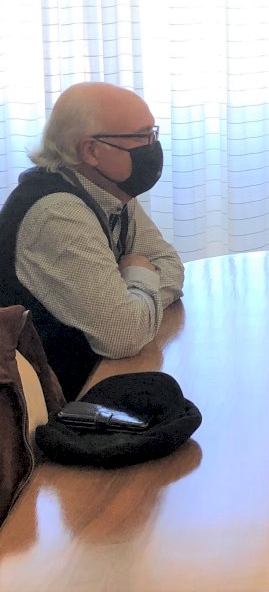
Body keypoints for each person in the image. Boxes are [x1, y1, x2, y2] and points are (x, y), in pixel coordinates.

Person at [0, 83, 184, 399]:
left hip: (97, 382)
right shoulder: (58, 214)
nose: (152, 146)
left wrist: (131, 291)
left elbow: (172, 267)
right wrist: (137, 274)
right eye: (141, 137)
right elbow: (124, 336)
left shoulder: (110, 190)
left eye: (154, 133)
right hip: (58, 410)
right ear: (91, 151)